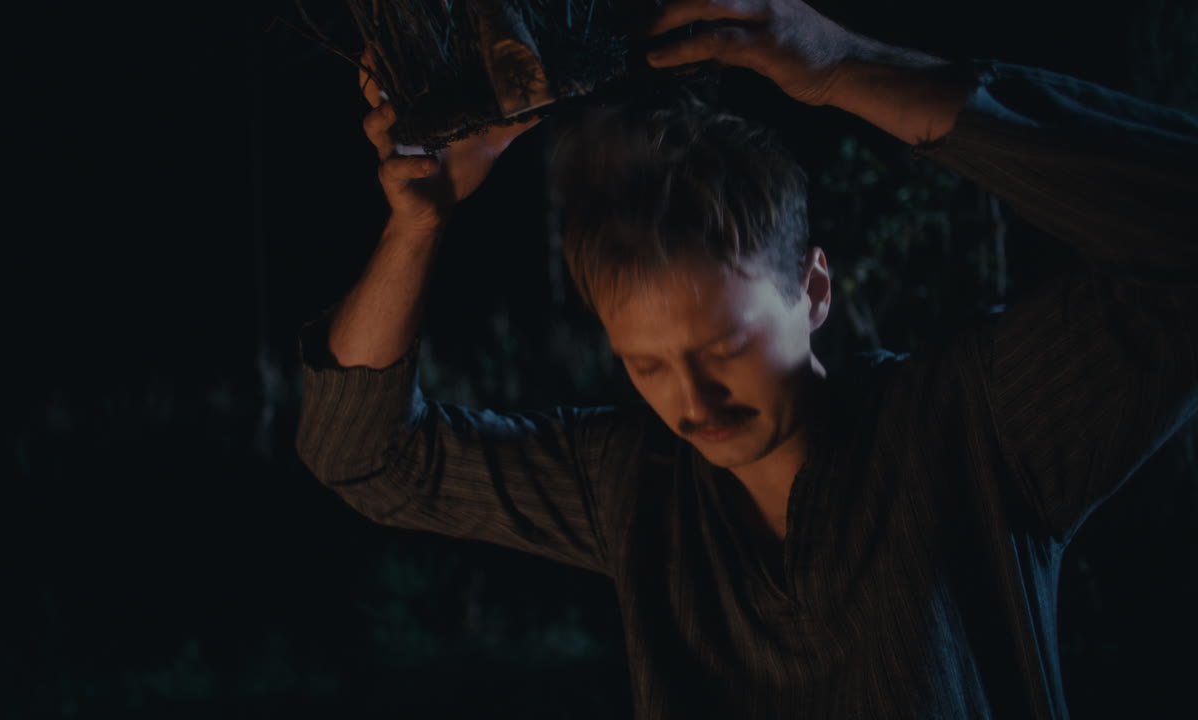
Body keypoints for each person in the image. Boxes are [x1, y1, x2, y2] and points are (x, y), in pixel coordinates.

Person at [296, 0, 1198, 717]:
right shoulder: (634, 486)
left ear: (812, 293)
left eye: (725, 346)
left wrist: (850, 68)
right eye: (646, 366)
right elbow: (362, 454)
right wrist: (417, 227)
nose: (692, 401)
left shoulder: (970, 427)